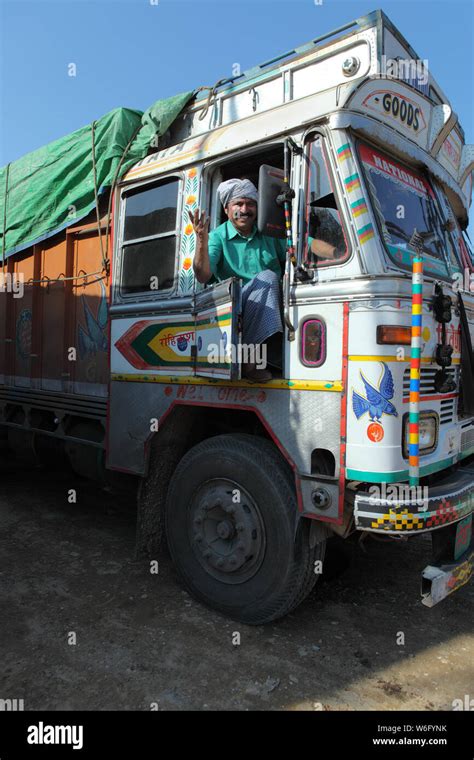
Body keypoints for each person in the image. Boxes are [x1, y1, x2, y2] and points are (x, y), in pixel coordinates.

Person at [190, 178, 341, 382]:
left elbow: (305, 244)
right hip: (236, 313)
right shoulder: (217, 237)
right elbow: (202, 275)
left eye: (250, 204)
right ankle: (247, 363)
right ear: (227, 209)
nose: (245, 209)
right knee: (268, 278)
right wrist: (201, 241)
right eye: (238, 204)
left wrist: (340, 253)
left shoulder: (269, 233)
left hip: (272, 308)